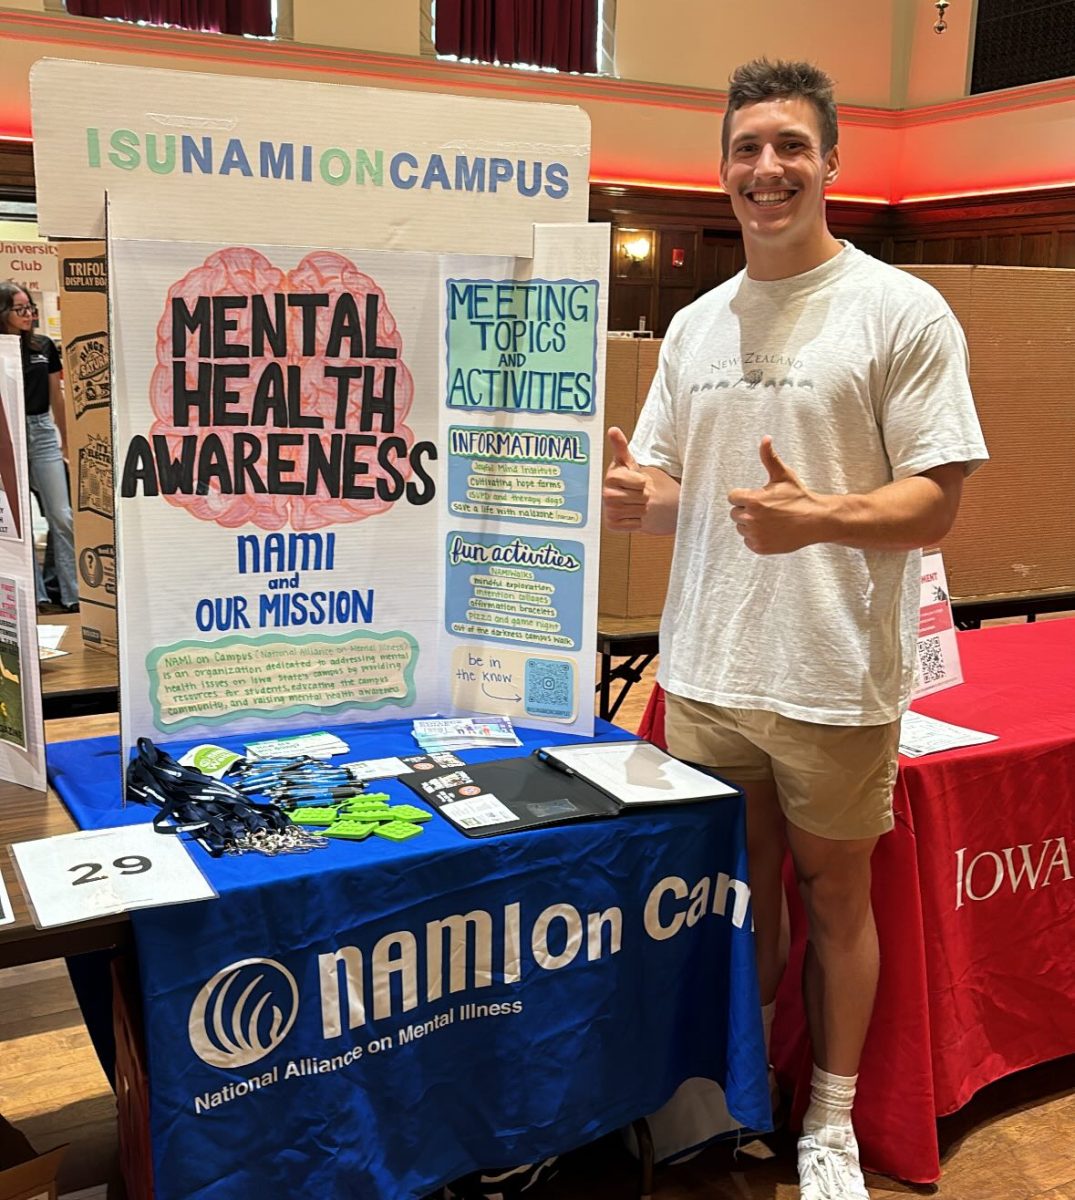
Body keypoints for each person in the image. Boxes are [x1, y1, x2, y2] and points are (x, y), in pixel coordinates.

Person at [602, 59, 987, 1200]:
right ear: (721, 169)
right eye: (745, 149)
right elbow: (687, 487)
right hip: (708, 671)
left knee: (834, 901)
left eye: (788, 147)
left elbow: (937, 497)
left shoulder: (898, 309)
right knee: (738, 900)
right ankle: (739, 1101)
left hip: (829, 675)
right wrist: (641, 500)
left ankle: (830, 1120)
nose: (765, 169)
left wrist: (818, 515)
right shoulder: (694, 325)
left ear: (830, 162)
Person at [0, 281, 79, 612]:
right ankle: (34, 596)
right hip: (7, 437)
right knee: (20, 523)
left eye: (30, 307)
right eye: (20, 309)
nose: (28, 314)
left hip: (42, 432)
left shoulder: (44, 345)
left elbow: (57, 397)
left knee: (62, 515)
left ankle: (72, 593)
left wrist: (67, 444)